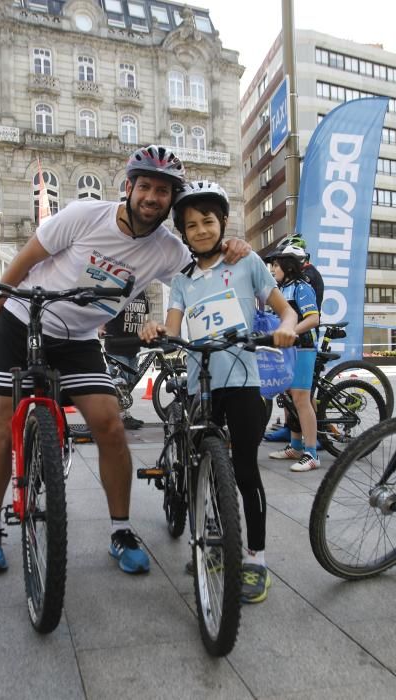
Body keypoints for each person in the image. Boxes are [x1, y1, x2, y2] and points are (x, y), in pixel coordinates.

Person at [0, 144, 251, 575]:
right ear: (129, 187)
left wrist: (234, 247)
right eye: (145, 187)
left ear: (170, 200)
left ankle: (121, 530)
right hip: (23, 318)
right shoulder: (85, 216)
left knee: (109, 424)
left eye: (163, 191)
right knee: (4, 421)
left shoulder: (166, 249)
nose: (152, 198)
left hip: (79, 338)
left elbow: (206, 267)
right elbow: (21, 264)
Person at [139, 180, 297, 604]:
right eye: (191, 226)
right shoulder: (183, 280)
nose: (201, 230)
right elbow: (172, 330)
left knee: (245, 470)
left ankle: (256, 560)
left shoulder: (246, 264)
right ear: (184, 234)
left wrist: (285, 327)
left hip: (243, 381)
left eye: (208, 221)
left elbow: (285, 309)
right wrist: (157, 330)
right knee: (197, 468)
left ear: (222, 223)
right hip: (200, 385)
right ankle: (209, 542)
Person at [264, 234, 324, 443]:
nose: (273, 270)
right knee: (290, 398)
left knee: (301, 399)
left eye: (276, 266)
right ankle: (296, 446)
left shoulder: (302, 287)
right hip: (290, 348)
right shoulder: (281, 289)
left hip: (304, 347)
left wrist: (292, 331)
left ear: (288, 267)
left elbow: (314, 318)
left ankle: (311, 452)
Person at [101, 291, 150, 430]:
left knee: (126, 385)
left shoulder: (142, 292)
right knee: (118, 384)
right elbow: (104, 311)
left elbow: (144, 316)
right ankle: (119, 417)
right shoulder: (119, 289)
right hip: (117, 345)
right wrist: (100, 327)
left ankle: (122, 414)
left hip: (133, 346)